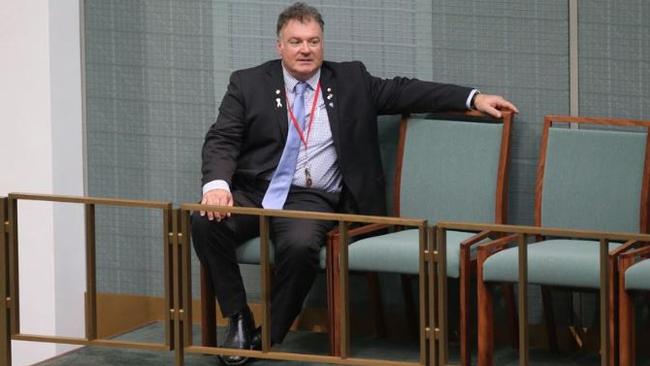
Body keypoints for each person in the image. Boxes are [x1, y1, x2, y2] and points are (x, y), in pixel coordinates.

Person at [192, 2, 518, 365]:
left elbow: (405, 91)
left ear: (322, 44)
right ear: (279, 46)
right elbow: (223, 138)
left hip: (311, 198)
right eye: (296, 41)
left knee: (300, 247)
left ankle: (266, 336)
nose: (305, 49)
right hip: (257, 190)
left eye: (313, 41)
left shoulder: (350, 81)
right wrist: (217, 185)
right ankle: (238, 317)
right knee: (205, 222)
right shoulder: (248, 82)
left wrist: (473, 97)